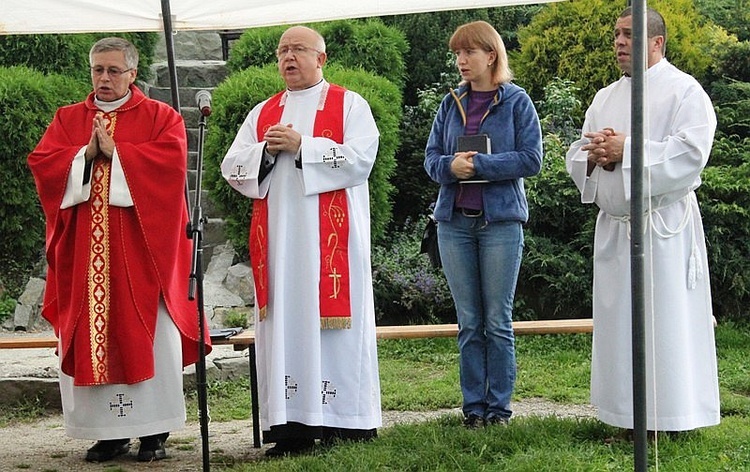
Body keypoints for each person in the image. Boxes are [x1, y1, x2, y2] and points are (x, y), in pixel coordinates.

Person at [27, 37, 211, 462]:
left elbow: (170, 168)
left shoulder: (160, 117)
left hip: (143, 259)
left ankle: (154, 432)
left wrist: (121, 155)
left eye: (113, 71)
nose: (104, 78)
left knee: (149, 336)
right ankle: (106, 433)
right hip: (84, 260)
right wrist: (83, 157)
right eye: (97, 70)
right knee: (92, 333)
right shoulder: (69, 118)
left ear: (132, 73)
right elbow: (43, 165)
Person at [221, 25, 381, 456]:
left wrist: (303, 145)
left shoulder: (349, 104)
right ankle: (291, 431)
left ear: (321, 58)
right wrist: (268, 153)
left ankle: (343, 424)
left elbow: (361, 159)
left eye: (298, 50)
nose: (288, 58)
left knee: (336, 333)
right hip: (280, 247)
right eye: (282, 52)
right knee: (286, 328)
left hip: (332, 249)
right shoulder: (263, 111)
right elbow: (232, 166)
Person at [566, 7, 720, 436]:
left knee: (664, 322)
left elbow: (690, 153)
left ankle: (670, 416)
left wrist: (627, 151)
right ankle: (622, 413)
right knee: (621, 325)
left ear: (657, 43)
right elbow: (580, 152)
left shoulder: (685, 92)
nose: (619, 41)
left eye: (630, 34)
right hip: (616, 229)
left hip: (662, 228)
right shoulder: (604, 96)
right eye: (616, 33)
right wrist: (596, 156)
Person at [424, 21, 543, 429]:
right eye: (457, 53)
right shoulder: (449, 103)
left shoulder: (517, 102)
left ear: (490, 55)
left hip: (500, 225)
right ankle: (473, 408)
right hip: (454, 223)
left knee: (497, 320)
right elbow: (431, 160)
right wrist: (449, 168)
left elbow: (532, 159)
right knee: (469, 322)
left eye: (468, 53)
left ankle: (500, 410)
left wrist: (479, 166)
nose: (460, 61)